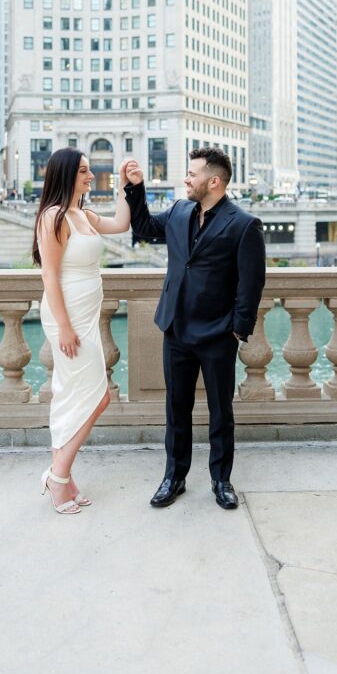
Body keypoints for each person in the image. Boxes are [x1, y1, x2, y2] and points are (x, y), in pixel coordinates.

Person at [123, 147, 266, 510]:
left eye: (192, 173)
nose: (186, 179)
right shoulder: (179, 210)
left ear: (213, 181)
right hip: (176, 329)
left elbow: (251, 285)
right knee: (177, 408)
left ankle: (221, 480)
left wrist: (237, 329)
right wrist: (134, 189)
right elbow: (143, 229)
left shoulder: (244, 224)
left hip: (218, 334)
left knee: (221, 411)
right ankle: (174, 477)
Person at [33, 148, 132, 515]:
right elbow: (49, 275)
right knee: (98, 396)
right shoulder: (54, 217)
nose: (92, 177)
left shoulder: (83, 214)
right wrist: (64, 326)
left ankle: (64, 476)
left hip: (86, 314)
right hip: (68, 315)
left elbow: (122, 223)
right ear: (66, 175)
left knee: (74, 394)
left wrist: (125, 186)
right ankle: (57, 477)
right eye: (85, 172)